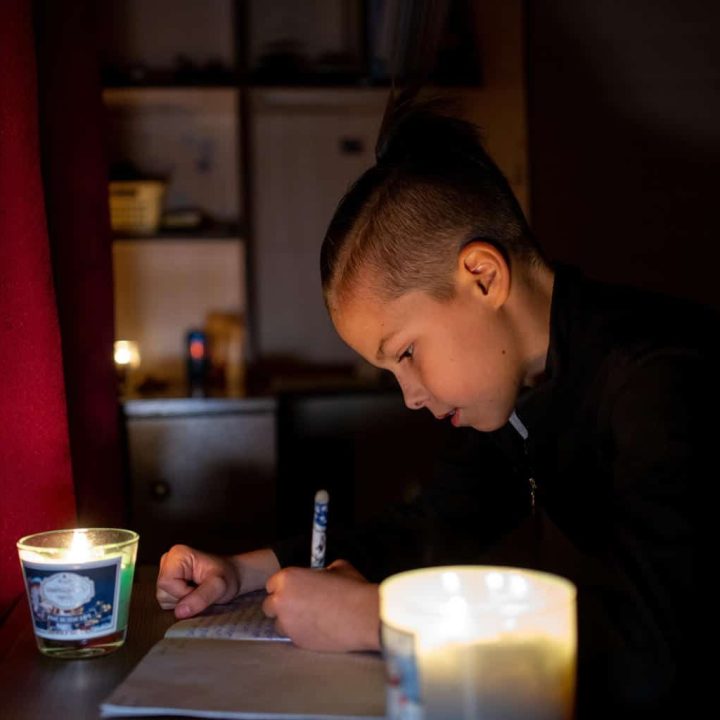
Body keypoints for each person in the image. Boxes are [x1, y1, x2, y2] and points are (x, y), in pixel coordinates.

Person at [157, 106, 707, 717]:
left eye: (408, 354)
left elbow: (652, 651)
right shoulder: (526, 380)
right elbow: (432, 523)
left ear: (481, 277)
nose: (411, 395)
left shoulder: (661, 382)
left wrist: (383, 621)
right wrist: (243, 571)